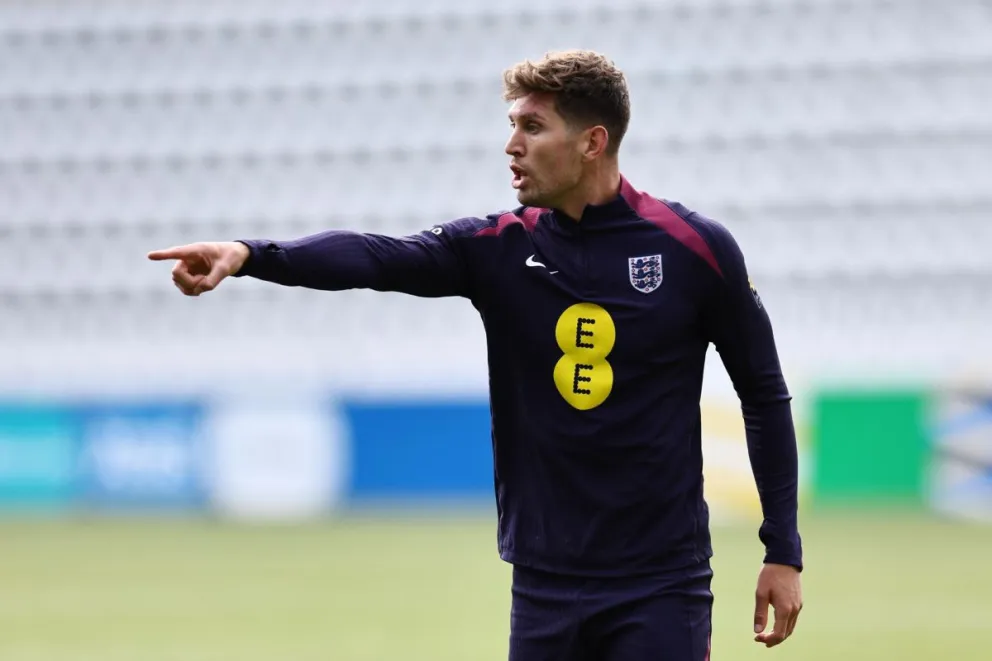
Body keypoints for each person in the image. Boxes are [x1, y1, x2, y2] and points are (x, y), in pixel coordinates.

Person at [148, 49, 803, 660]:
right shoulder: (496, 247)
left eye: (532, 127)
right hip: (543, 585)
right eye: (512, 125)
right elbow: (376, 257)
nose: (512, 145)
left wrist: (783, 548)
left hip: (660, 584)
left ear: (592, 141)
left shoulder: (694, 249)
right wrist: (250, 254)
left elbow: (764, 394)